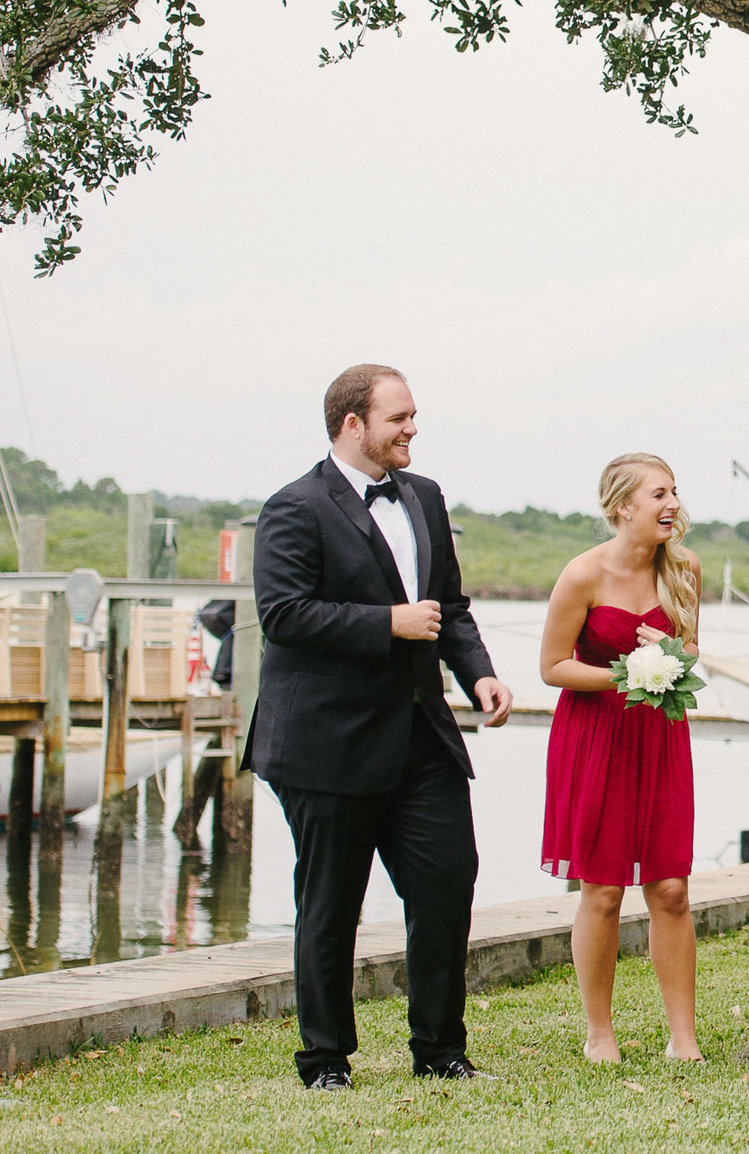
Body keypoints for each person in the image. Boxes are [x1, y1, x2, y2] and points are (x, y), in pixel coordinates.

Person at [243, 364, 513, 1090]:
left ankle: (440, 1051)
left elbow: (448, 607)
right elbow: (284, 615)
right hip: (324, 743)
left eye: (414, 415)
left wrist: (478, 672)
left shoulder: (424, 496)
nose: (412, 430)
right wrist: (386, 624)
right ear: (352, 423)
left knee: (446, 884)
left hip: (421, 735)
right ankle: (325, 1060)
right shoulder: (294, 507)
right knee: (330, 905)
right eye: (399, 418)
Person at [539, 453, 704, 1063]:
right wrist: (625, 674)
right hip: (597, 739)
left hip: (661, 738)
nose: (671, 505)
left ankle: (682, 1036)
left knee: (671, 890)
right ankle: (599, 1032)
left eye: (674, 493)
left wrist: (672, 654)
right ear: (621, 507)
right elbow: (553, 666)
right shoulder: (582, 574)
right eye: (658, 494)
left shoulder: (685, 568)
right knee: (603, 891)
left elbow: (689, 653)